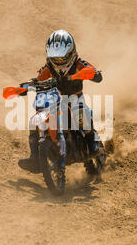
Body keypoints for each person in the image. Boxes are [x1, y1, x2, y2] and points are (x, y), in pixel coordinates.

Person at [18, 30, 103, 173]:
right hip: (55, 100)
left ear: (71, 52)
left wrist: (92, 74)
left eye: (62, 57)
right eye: (55, 58)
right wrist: (26, 86)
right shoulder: (49, 67)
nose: (59, 61)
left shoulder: (78, 63)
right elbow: (38, 79)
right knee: (34, 121)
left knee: (81, 112)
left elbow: (95, 74)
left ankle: (92, 144)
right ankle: (35, 158)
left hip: (74, 99)